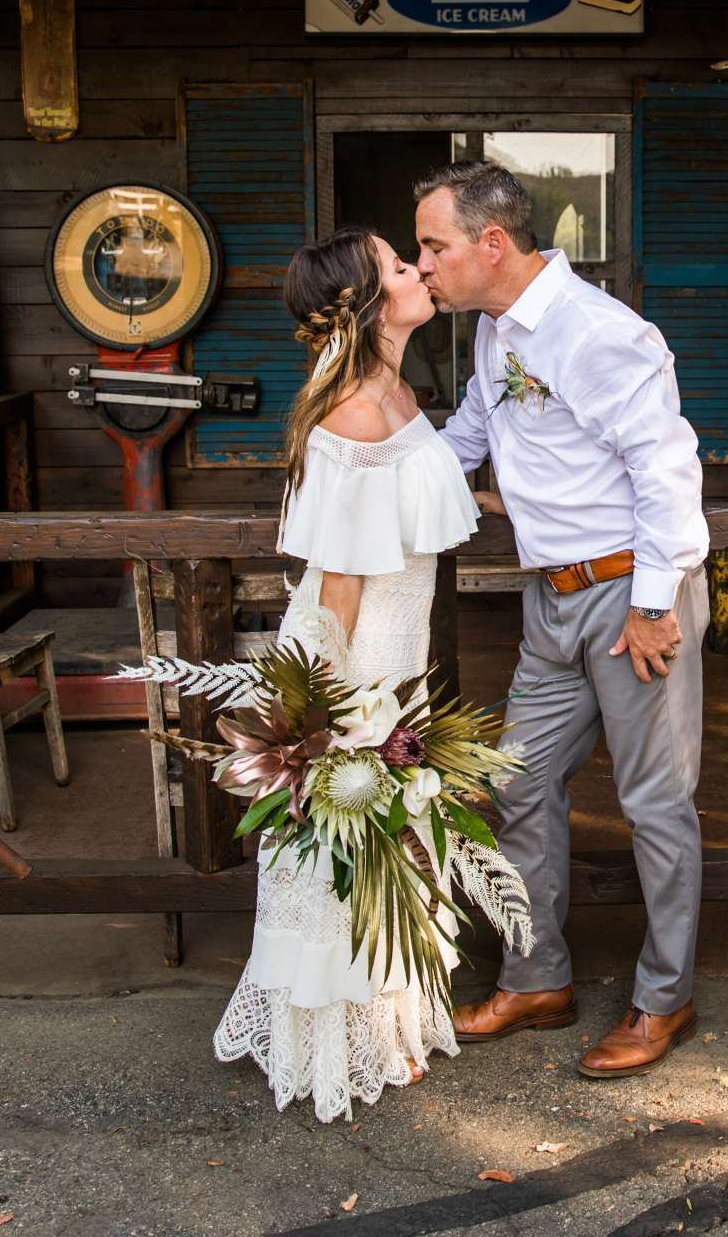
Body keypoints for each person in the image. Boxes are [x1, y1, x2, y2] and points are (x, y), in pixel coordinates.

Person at [414, 160, 711, 1079]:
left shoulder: (598, 333)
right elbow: (471, 430)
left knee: (655, 803)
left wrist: (657, 607)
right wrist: (374, 466)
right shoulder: (495, 329)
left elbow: (667, 471)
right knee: (516, 783)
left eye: (434, 247)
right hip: (551, 600)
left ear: (490, 245)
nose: (424, 266)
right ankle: (538, 976)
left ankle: (666, 998)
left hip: (633, 597)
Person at [210, 225, 482, 1121]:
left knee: (391, 850)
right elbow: (340, 581)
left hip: (395, 656)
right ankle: (332, 1040)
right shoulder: (355, 411)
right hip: (352, 660)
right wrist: (326, 715)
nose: (421, 270)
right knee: (341, 854)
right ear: (369, 302)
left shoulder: (396, 387)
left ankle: (385, 1028)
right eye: (402, 266)